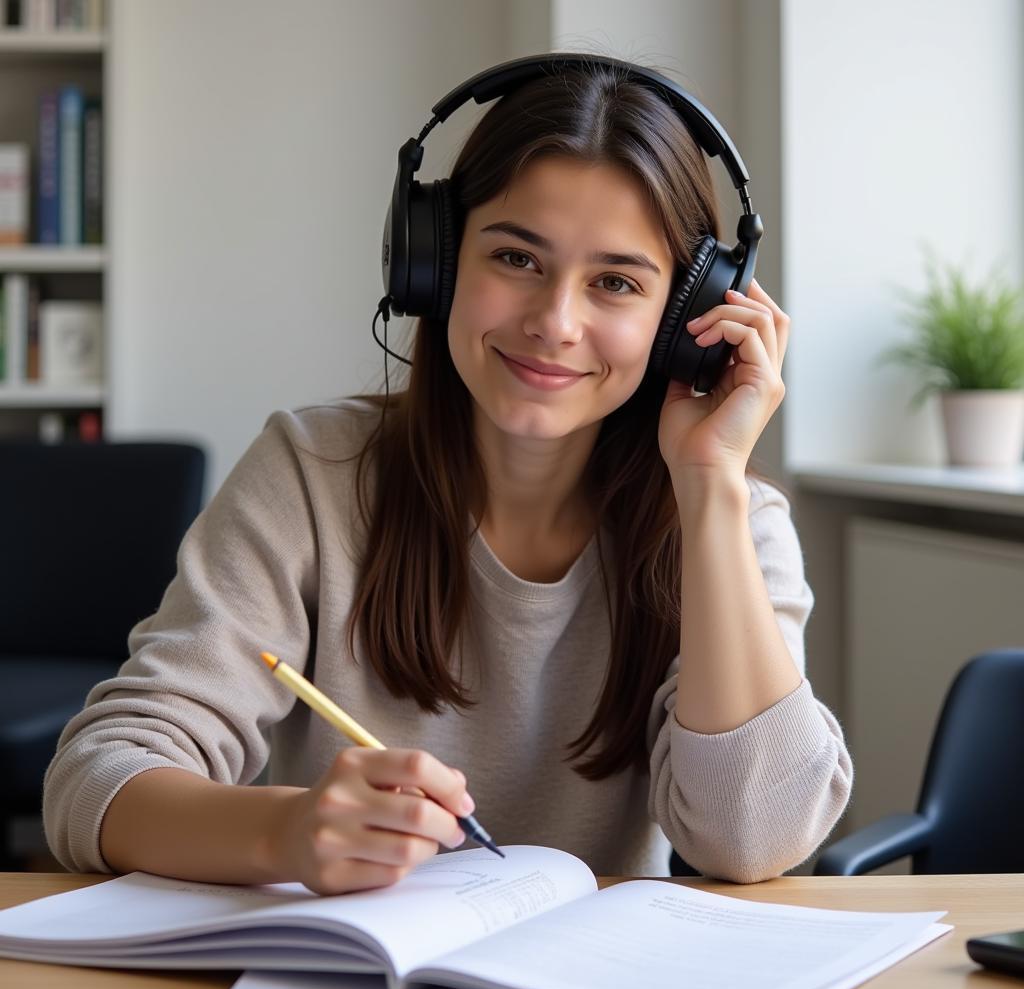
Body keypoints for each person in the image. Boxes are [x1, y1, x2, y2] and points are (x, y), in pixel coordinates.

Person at [43, 54, 852, 893]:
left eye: (615, 282)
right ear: (433, 261)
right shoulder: (312, 474)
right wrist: (285, 830)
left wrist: (711, 484)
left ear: (685, 321)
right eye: (516, 259)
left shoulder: (731, 516)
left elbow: (752, 840)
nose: (555, 323)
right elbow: (95, 777)